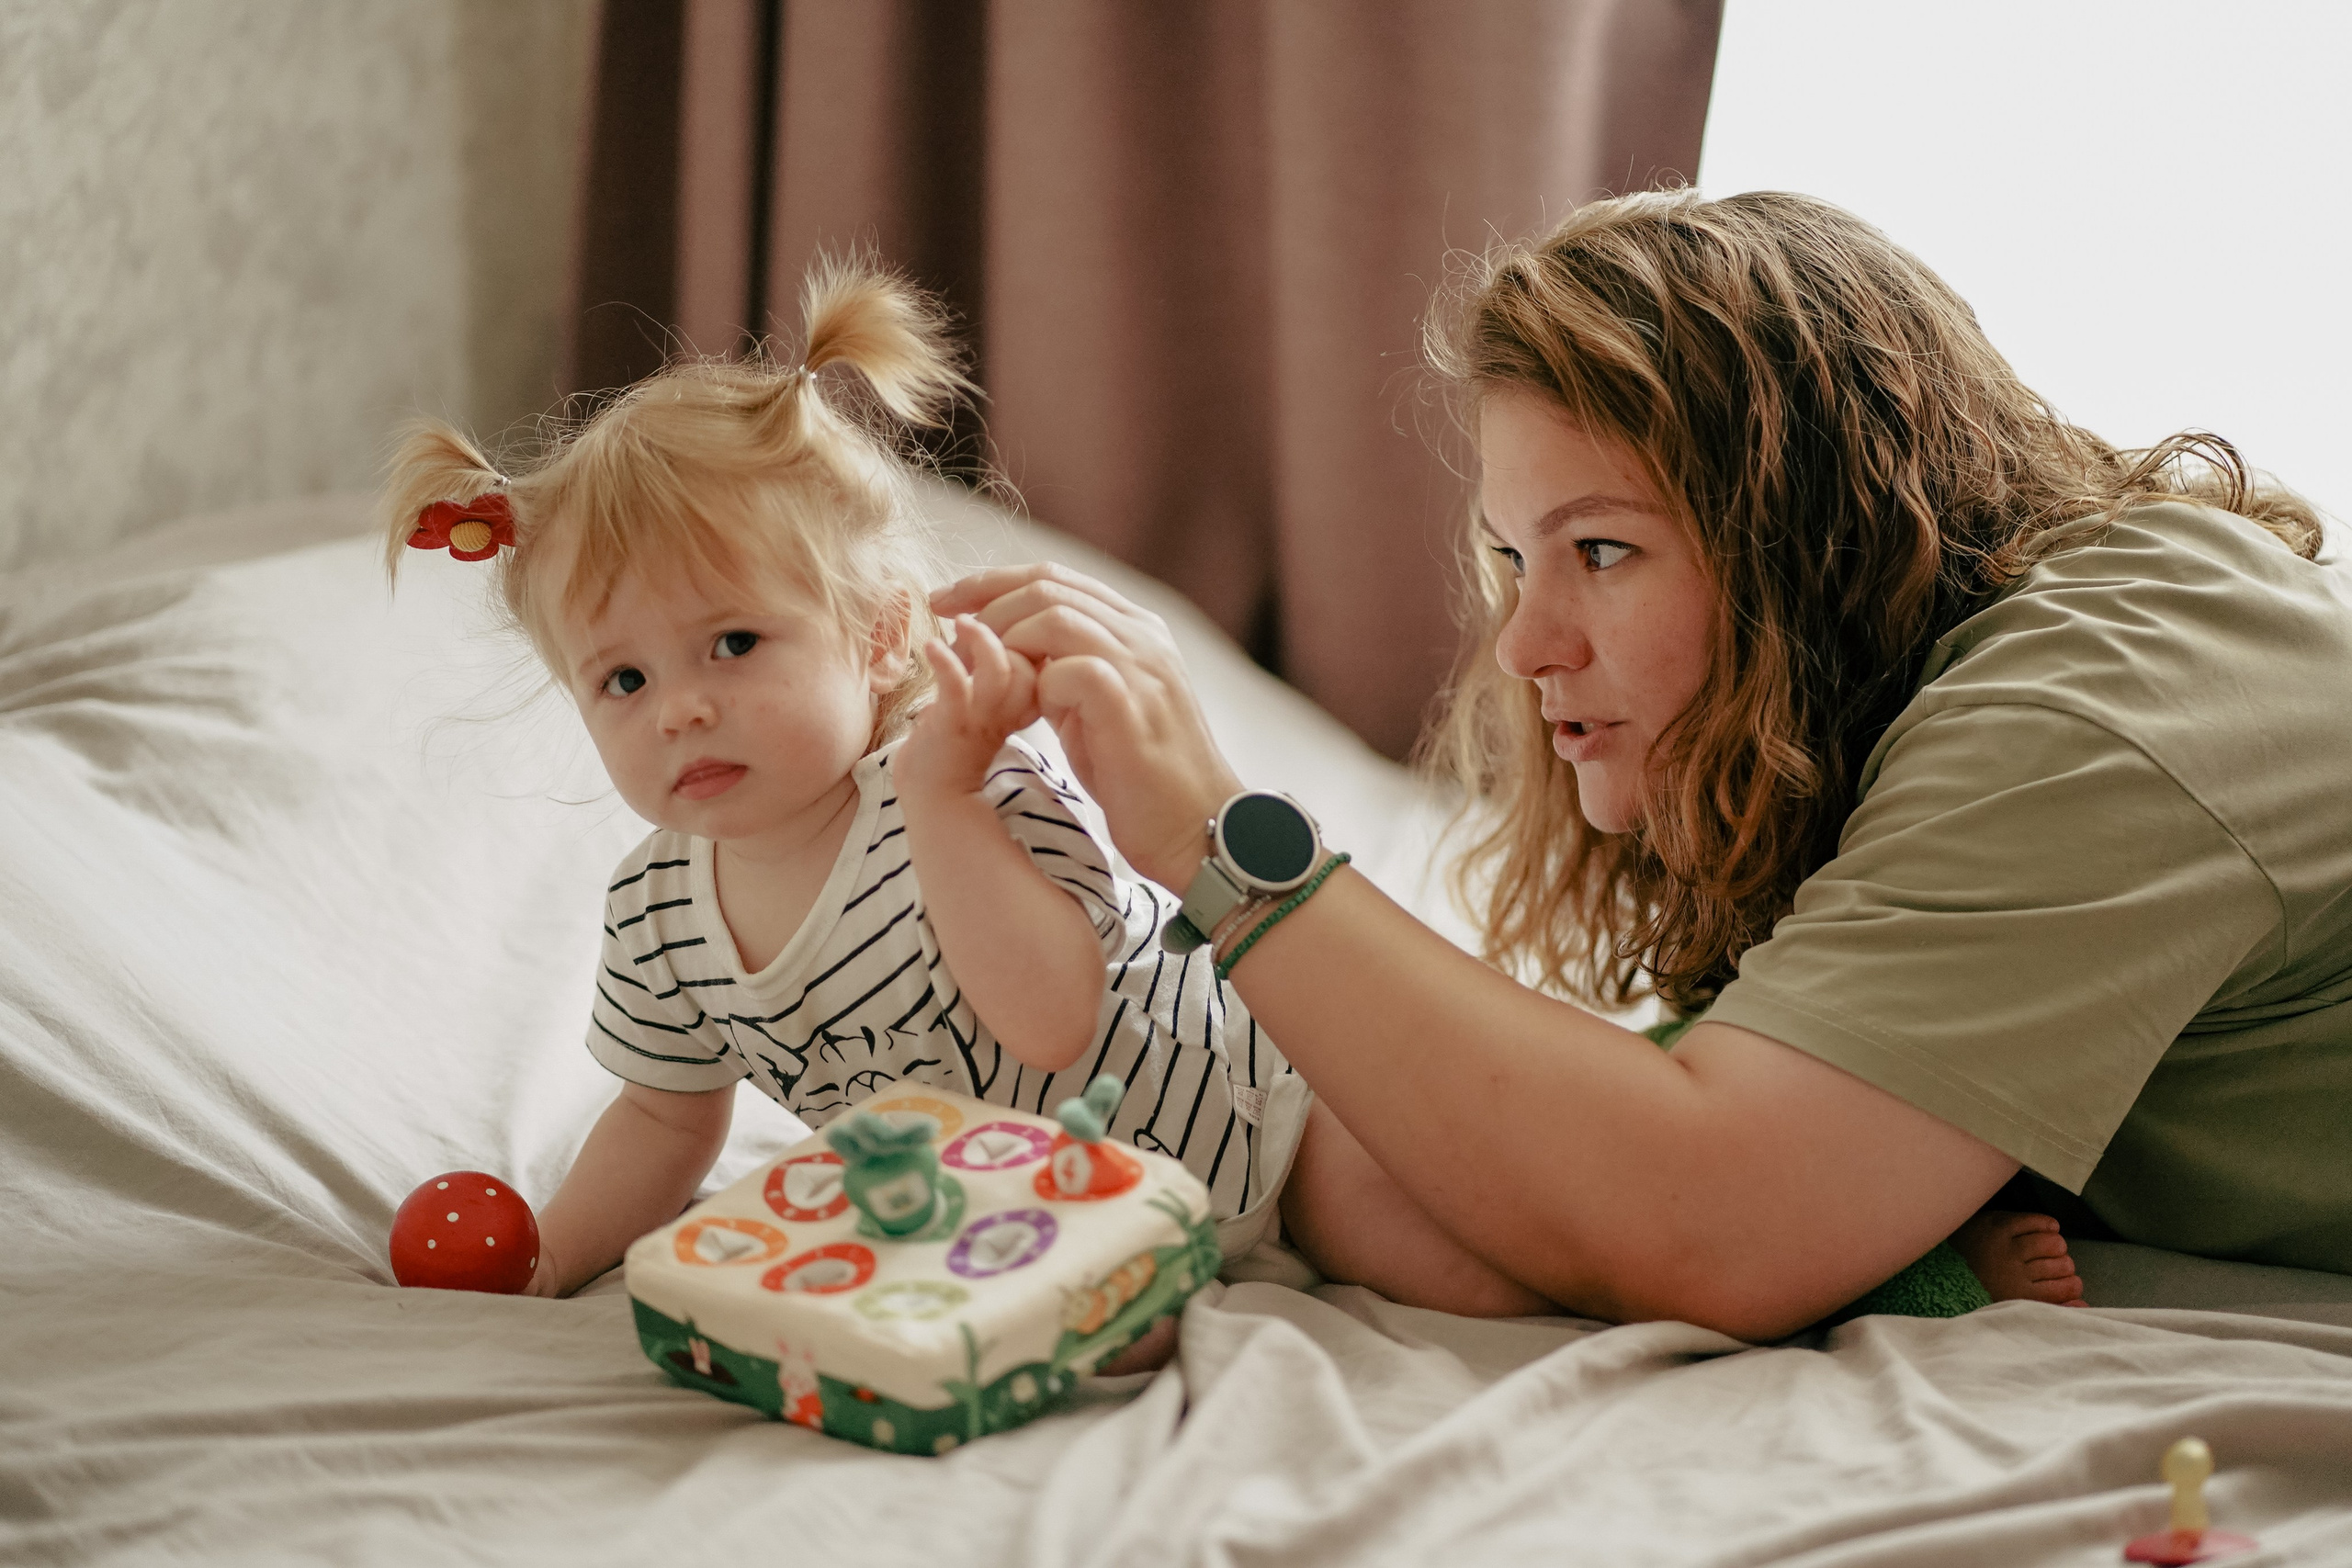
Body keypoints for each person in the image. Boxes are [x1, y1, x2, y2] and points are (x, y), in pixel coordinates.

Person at [934, 189, 2351, 1340]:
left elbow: (1713, 1218)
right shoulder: (1918, 731)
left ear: (1816, 543)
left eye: (1602, 549)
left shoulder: (2096, 708)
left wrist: (1222, 840)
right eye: (1513, 557)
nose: (1524, 644)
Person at [377, 259, 1306, 1301]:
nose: (679, 709)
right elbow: (663, 1120)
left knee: (1438, 1259)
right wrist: (550, 1256)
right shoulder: (657, 915)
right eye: (623, 679)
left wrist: (946, 801)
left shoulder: (964, 784)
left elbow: (1054, 1022)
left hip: (1268, 1121)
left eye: (733, 643)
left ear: (879, 637)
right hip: (1075, 1237)